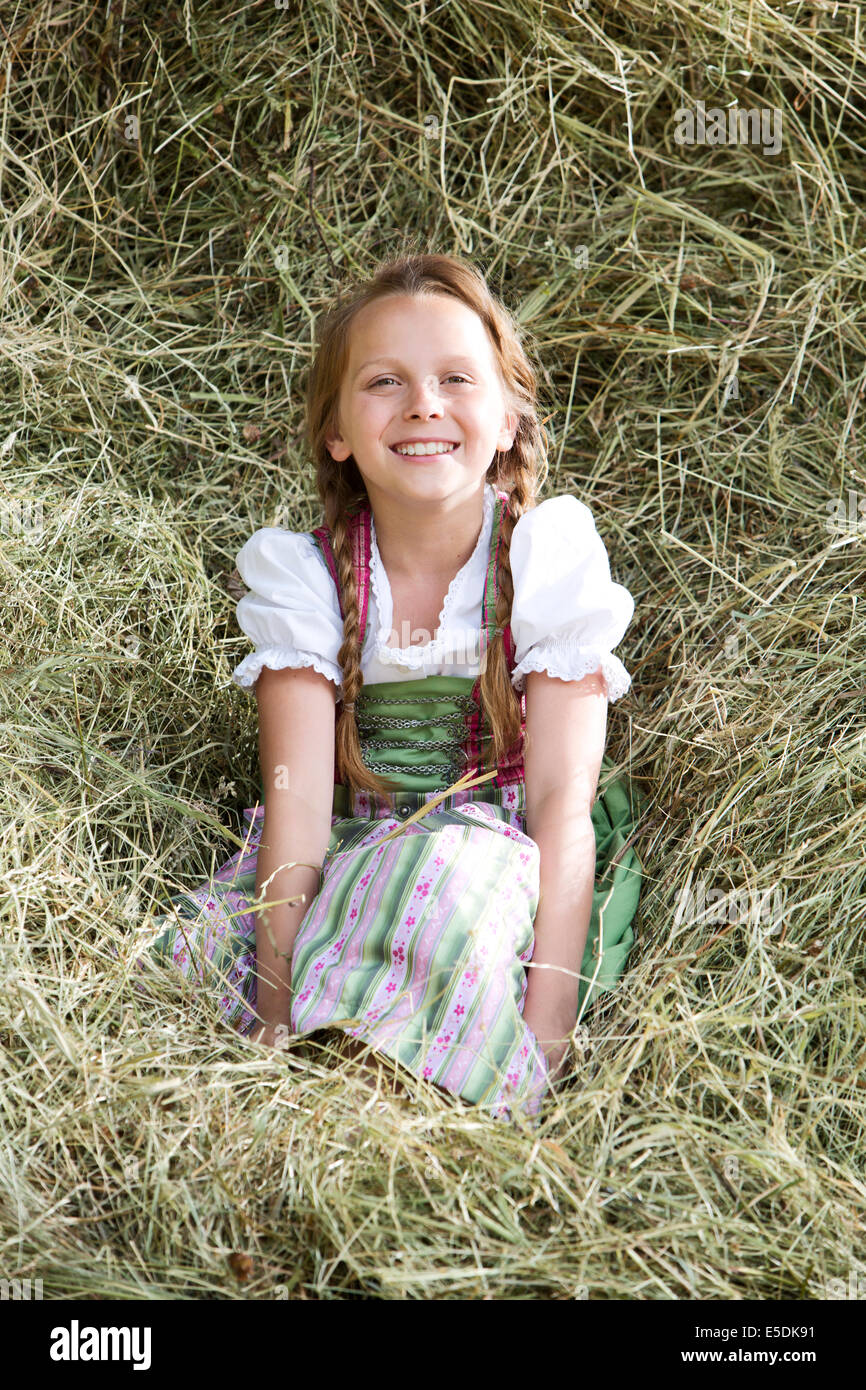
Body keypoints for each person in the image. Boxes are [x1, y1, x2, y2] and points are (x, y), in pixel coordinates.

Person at [131, 252, 643, 1126]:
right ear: (335, 429)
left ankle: (425, 1077)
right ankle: (321, 1051)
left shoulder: (544, 561)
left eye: (455, 377)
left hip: (497, 844)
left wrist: (546, 1031)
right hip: (348, 839)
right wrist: (274, 1009)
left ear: (511, 415)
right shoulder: (309, 579)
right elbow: (293, 805)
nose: (424, 405)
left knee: (439, 881)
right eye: (383, 382)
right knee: (194, 953)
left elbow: (561, 802)